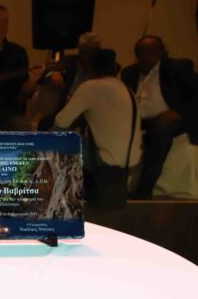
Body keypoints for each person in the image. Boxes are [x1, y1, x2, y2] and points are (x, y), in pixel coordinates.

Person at [55, 49, 142, 204]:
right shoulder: (126, 89)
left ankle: (58, 197)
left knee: (55, 136)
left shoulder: (91, 87)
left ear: (89, 67)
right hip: (132, 165)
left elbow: (60, 122)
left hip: (105, 163)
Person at [121, 35, 198, 198]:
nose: (146, 56)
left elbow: (195, 98)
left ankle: (145, 188)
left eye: (151, 51)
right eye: (141, 52)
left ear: (161, 52)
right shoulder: (129, 73)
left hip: (171, 119)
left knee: (159, 136)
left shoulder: (178, 69)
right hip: (140, 122)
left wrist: (179, 114)